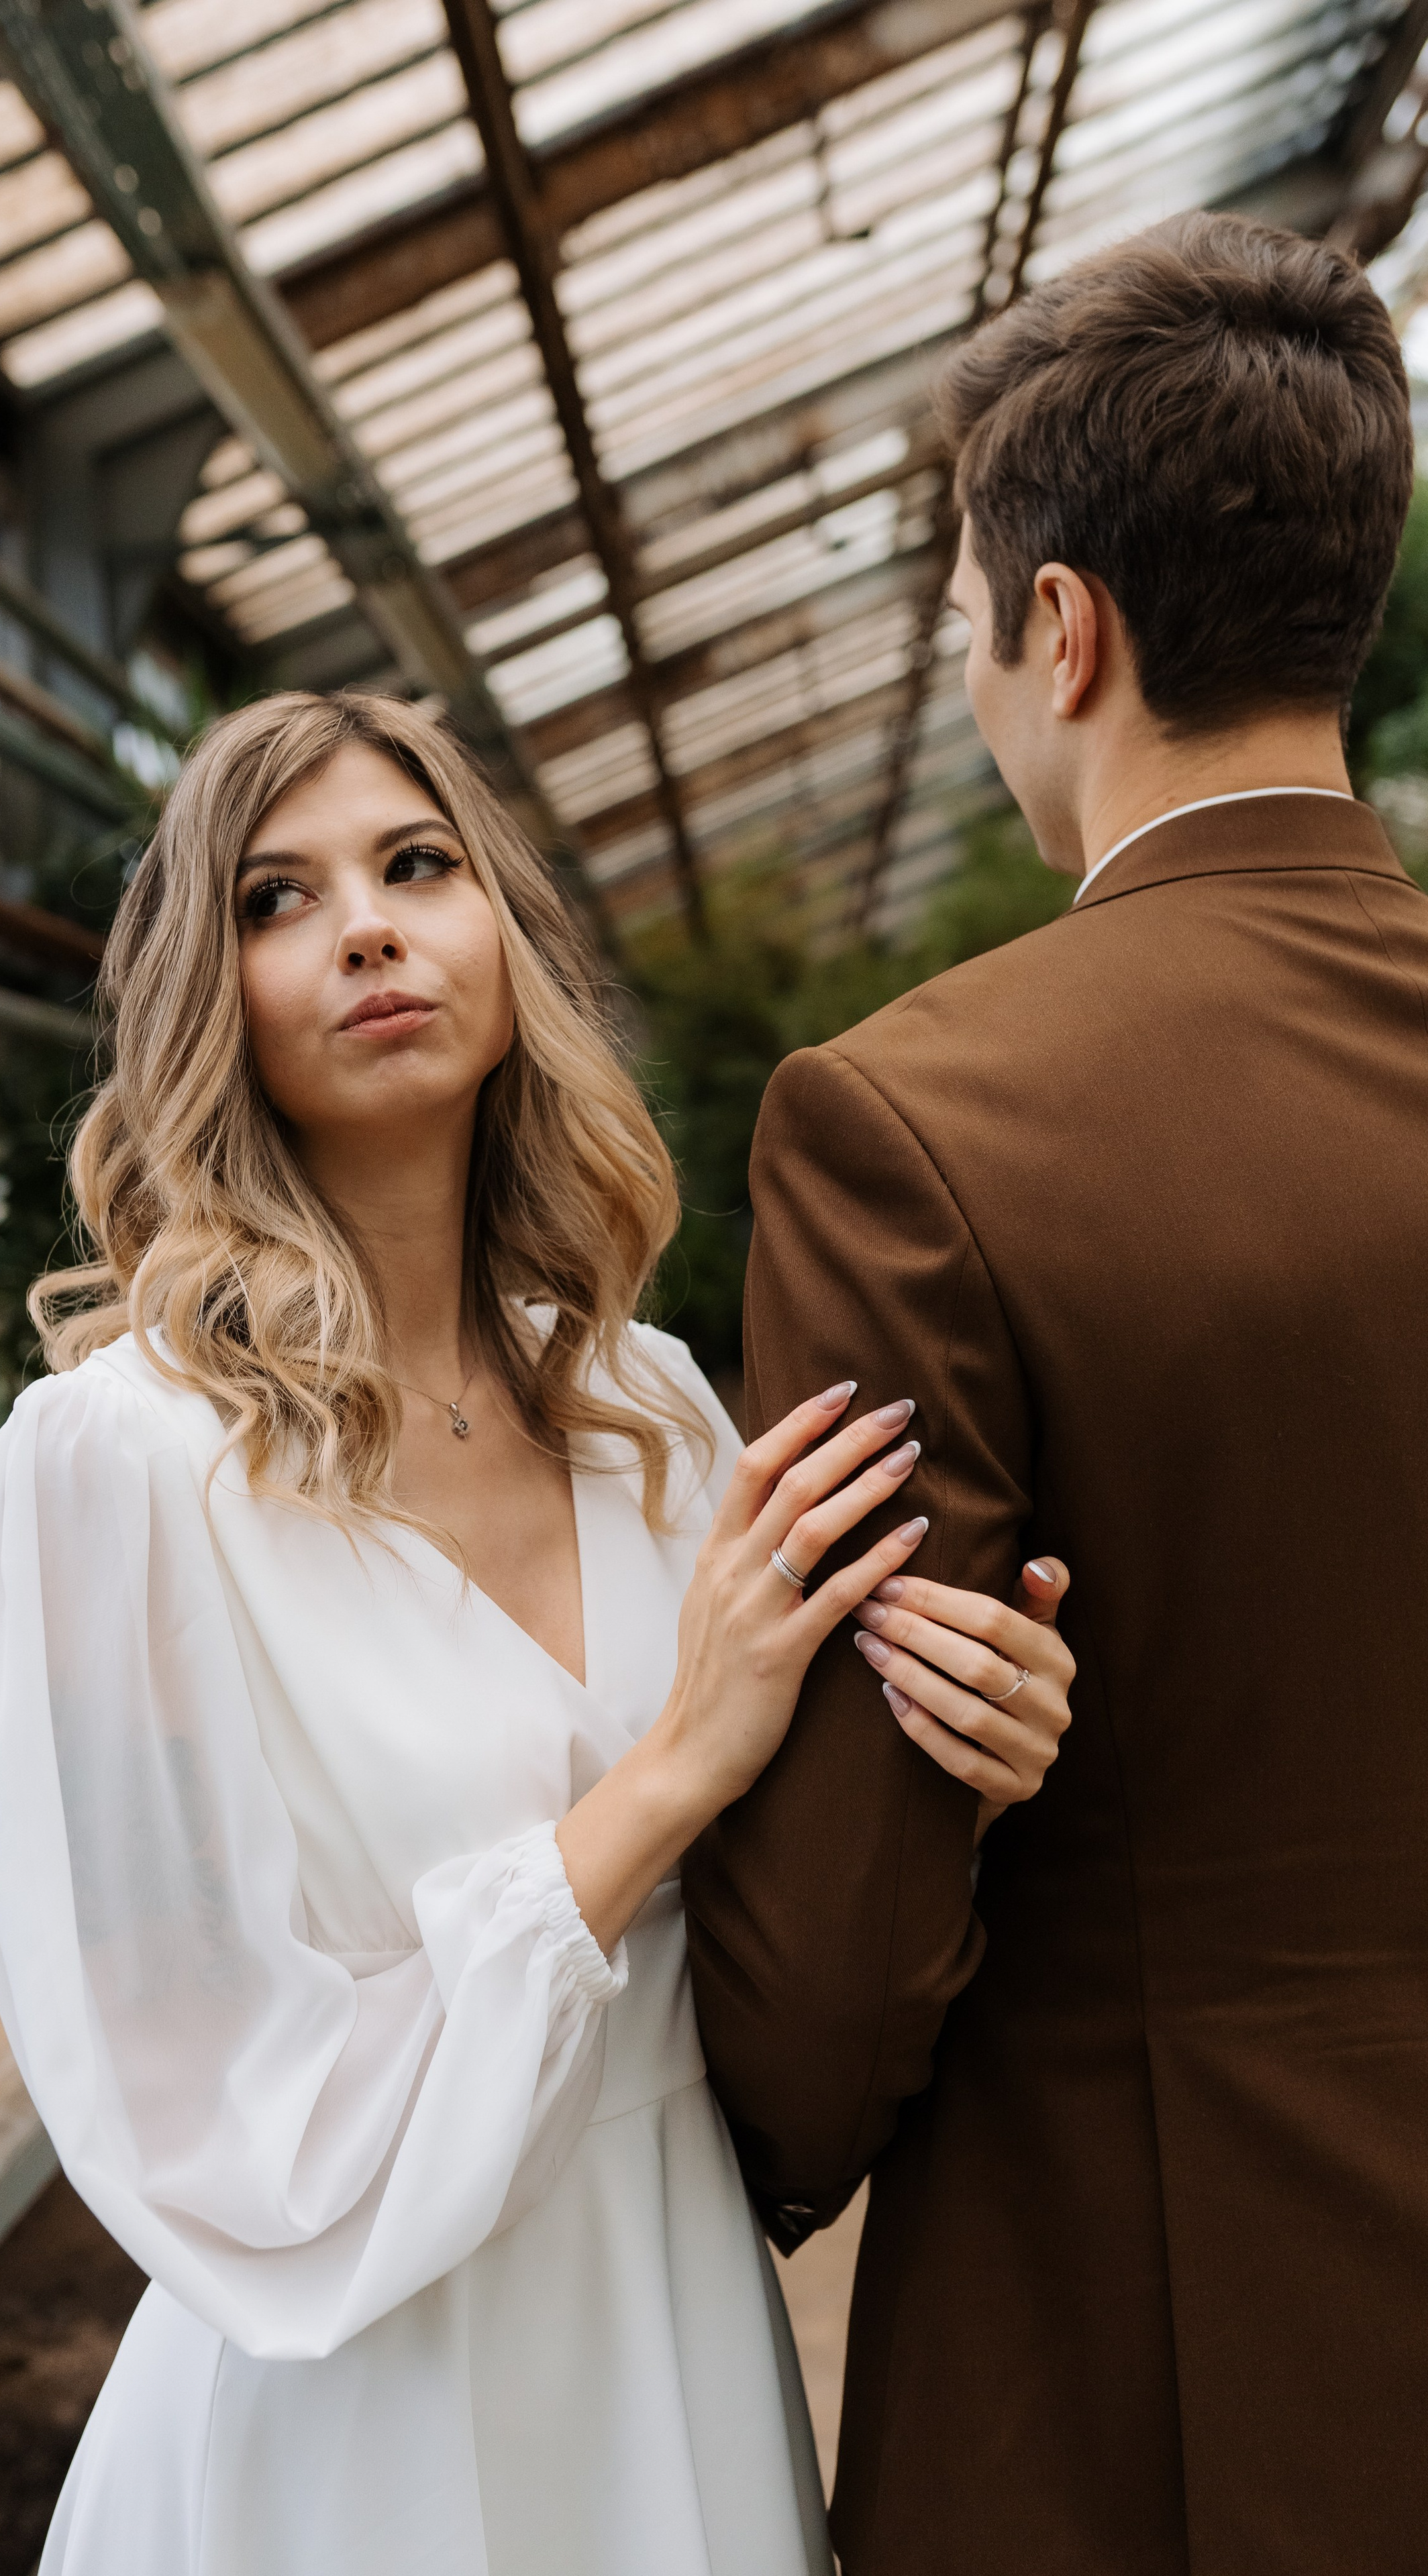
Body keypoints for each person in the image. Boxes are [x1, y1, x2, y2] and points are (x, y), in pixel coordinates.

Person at [0, 690, 1073, 2576]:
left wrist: (975, 1745)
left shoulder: (657, 1411)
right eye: (277, 898)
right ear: (201, 997)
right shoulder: (117, 1467)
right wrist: (669, 1773)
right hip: (350, 2400)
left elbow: (795, 1883)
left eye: (416, 866)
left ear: (505, 939)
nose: (369, 928)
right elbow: (191, 2099)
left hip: (675, 2331)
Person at [683, 209, 1428, 2575]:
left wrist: (749, 2154)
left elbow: (856, 1886)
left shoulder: (925, 1128)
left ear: (1061, 628)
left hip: (1144, 2331)